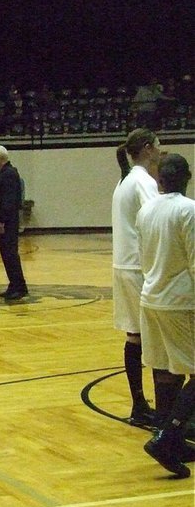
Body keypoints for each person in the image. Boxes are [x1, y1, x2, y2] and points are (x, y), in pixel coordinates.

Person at [136, 154, 194, 478]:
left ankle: (172, 439)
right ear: (187, 177)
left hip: (151, 297)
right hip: (179, 300)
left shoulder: (147, 210)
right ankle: (168, 436)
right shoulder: (188, 210)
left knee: (168, 372)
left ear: (160, 180)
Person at [111, 128, 161, 425]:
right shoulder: (142, 180)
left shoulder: (125, 180)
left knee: (135, 336)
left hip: (124, 265)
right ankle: (163, 409)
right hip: (139, 267)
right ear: (146, 148)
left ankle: (140, 404)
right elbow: (156, 220)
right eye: (157, 145)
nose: (160, 150)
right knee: (155, 339)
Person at [0, 145, 28, 300]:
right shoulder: (2, 173)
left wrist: (2, 221)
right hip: (3, 220)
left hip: (7, 222)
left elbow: (9, 201)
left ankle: (19, 286)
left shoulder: (9, 174)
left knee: (10, 254)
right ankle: (14, 284)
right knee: (6, 255)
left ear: (0, 158)